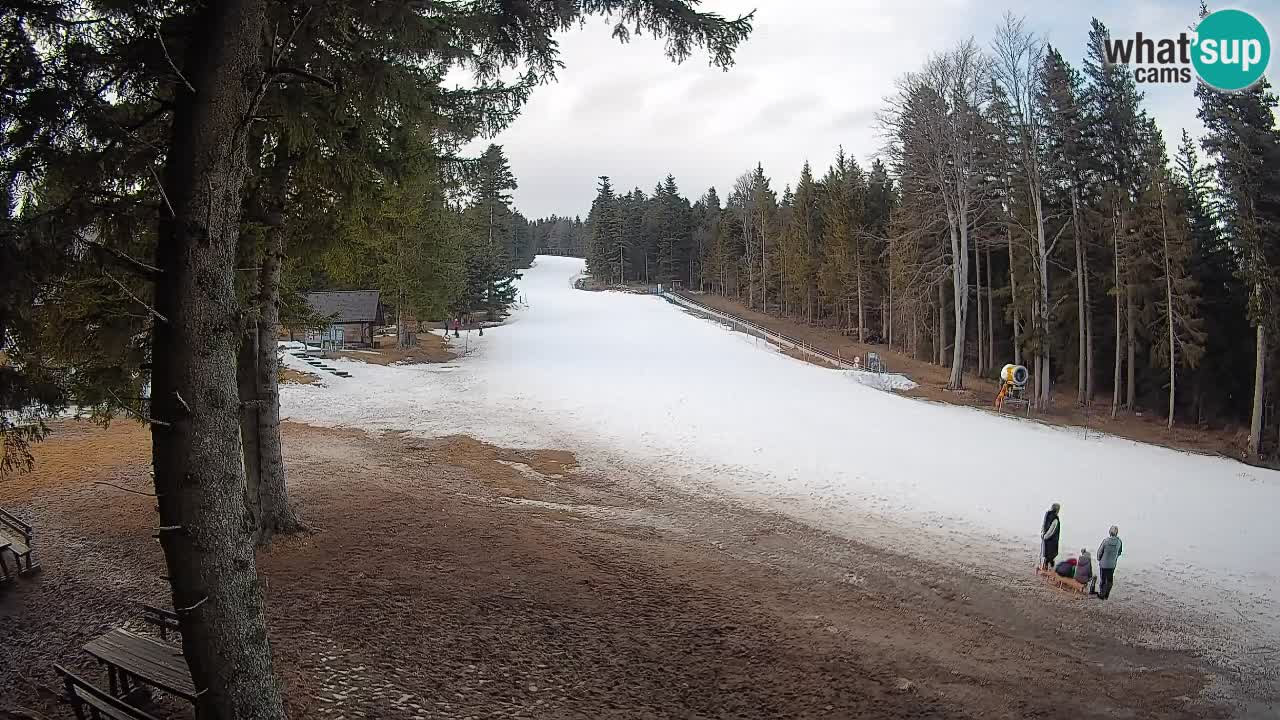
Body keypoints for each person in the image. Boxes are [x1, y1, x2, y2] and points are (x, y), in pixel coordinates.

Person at [1096, 526, 1123, 600]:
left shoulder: (1105, 541)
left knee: (1103, 580)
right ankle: (1106, 595)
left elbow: (1099, 552)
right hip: (1112, 565)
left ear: (1109, 532)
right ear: (1117, 533)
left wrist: (1099, 559)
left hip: (1103, 564)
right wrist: (1115, 558)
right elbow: (1120, 552)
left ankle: (1102, 594)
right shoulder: (1119, 542)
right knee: (1110, 580)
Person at [1041, 503, 1061, 570]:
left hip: (1047, 538)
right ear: (1057, 509)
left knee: (1047, 553)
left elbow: (1044, 525)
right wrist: (1045, 536)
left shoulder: (1048, 515)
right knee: (1051, 554)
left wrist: (1043, 533)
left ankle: (1046, 566)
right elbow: (1052, 530)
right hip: (1052, 539)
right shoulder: (1055, 519)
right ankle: (1048, 567)